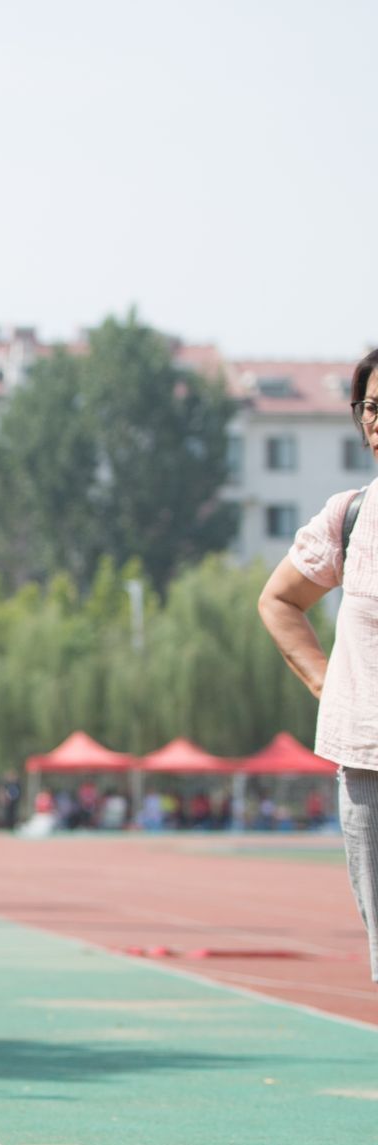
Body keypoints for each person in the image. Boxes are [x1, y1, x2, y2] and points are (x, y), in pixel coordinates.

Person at [260, 348, 378, 1035]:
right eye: (371, 408)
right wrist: (333, 688)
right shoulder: (350, 516)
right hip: (367, 766)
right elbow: (280, 601)